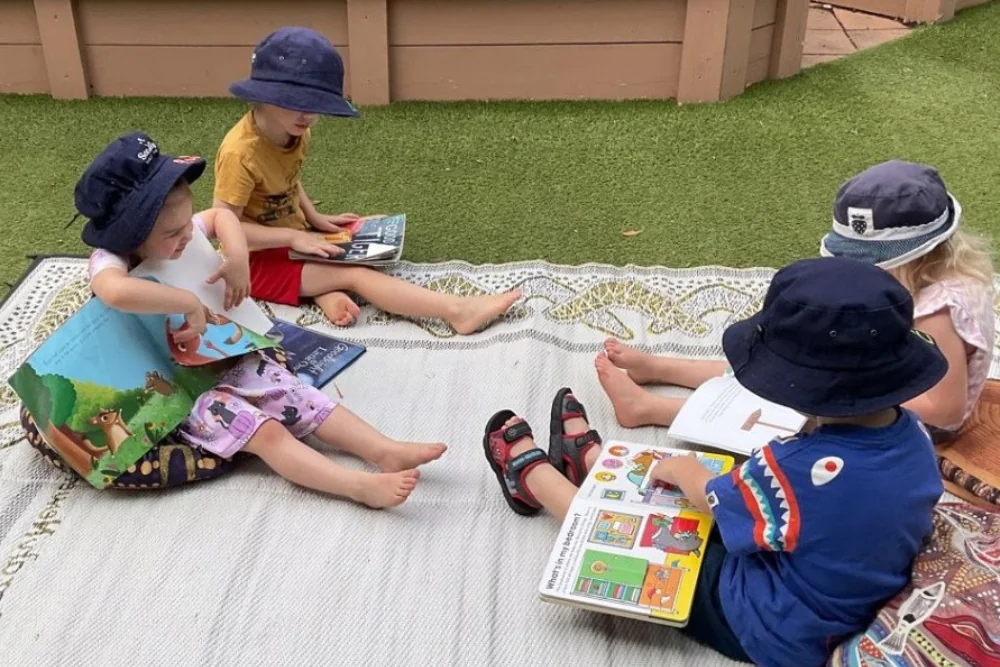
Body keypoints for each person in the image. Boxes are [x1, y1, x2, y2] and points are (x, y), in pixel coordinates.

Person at [483, 257, 947, 667]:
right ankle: (595, 464)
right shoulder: (914, 435)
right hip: (833, 582)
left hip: (772, 624)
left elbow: (715, 501)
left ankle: (537, 481)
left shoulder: (799, 470)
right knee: (695, 503)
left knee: (658, 542)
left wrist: (687, 472)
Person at [77, 132, 445, 508]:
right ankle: (355, 486)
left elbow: (220, 216)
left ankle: (383, 450)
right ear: (131, 233)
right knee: (267, 433)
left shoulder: (183, 232)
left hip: (220, 361)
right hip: (178, 395)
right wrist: (187, 302)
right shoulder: (111, 260)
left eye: (188, 224)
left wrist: (237, 258)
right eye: (173, 233)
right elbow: (114, 292)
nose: (188, 234)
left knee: (302, 397)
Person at [598, 160, 994, 441]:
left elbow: (945, 410)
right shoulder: (931, 279)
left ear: (917, 257)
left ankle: (651, 409)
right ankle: (660, 368)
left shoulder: (938, 309)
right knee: (781, 365)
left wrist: (850, 399)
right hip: (881, 376)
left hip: (909, 424)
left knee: (791, 401)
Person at [213, 26, 520, 330]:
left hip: (290, 240)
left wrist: (314, 217)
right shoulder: (240, 153)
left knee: (363, 234)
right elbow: (223, 225)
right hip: (250, 264)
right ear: (265, 96)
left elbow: (286, 179)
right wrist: (294, 237)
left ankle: (321, 292)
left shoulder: (294, 129)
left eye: (316, 105)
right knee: (357, 274)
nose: (308, 115)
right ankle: (457, 312)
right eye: (297, 101)